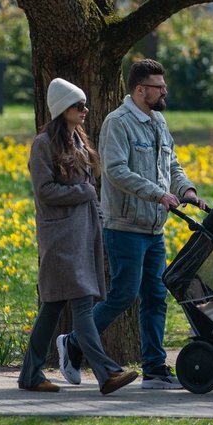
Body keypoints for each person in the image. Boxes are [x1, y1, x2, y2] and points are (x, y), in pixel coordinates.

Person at [58, 59, 205, 390]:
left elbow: (172, 163)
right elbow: (115, 170)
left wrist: (187, 190)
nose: (164, 90)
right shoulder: (118, 123)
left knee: (155, 296)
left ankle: (154, 368)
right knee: (123, 295)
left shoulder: (158, 121)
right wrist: (158, 195)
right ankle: (73, 342)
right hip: (124, 226)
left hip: (154, 229)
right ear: (141, 90)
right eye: (158, 86)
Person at [18, 78, 138, 395]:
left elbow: (91, 194)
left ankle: (29, 373)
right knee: (83, 304)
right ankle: (107, 373)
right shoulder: (44, 144)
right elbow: (44, 191)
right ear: (62, 109)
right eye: (78, 106)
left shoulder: (79, 141)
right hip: (60, 238)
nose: (85, 110)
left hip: (83, 234)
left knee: (52, 308)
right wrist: (82, 191)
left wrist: (100, 220)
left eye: (84, 105)